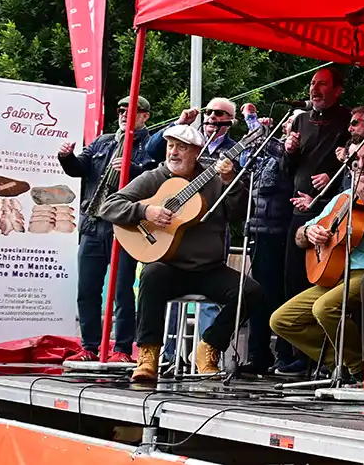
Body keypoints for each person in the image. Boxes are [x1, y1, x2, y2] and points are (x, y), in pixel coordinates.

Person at [98, 124, 261, 384]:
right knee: (151, 276)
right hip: (169, 265)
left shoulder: (215, 178)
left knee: (250, 292)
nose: (173, 152)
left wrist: (231, 180)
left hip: (209, 267)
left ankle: (209, 347)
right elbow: (109, 206)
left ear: (196, 151)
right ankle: (148, 355)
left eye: (181, 148)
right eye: (170, 146)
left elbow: (241, 212)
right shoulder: (154, 177)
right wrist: (145, 212)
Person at [270, 165, 364, 381]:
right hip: (336, 273)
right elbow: (300, 235)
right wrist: (308, 232)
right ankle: (341, 364)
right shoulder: (341, 198)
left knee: (325, 307)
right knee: (281, 320)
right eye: (356, 163)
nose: (362, 167)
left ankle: (361, 369)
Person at [58, 95, 156, 364]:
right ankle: (89, 346)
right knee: (87, 289)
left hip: (124, 227)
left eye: (132, 110)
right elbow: (79, 168)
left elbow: (154, 182)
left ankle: (122, 349)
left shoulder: (150, 145)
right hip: (93, 223)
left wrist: (131, 169)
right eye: (121, 110)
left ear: (145, 116)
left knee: (123, 290)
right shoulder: (104, 141)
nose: (124, 114)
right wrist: (65, 156)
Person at [279, 67, 352, 374]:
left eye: (322, 84)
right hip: (299, 214)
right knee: (292, 284)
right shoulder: (299, 120)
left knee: (324, 285)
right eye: (312, 83)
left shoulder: (347, 120)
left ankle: (328, 355)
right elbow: (287, 170)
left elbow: (351, 172)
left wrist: (331, 181)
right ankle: (298, 356)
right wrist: (289, 151)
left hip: (332, 214)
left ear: (338, 90)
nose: (315, 89)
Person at [237, 103, 296, 376]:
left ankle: (285, 356)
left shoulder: (292, 153)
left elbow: (269, 143)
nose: (290, 129)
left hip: (284, 232)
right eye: (288, 124)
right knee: (260, 295)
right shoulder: (269, 150)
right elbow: (245, 158)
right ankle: (257, 354)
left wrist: (250, 119)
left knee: (284, 296)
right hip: (260, 232)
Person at [146, 97, 240, 166]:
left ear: (231, 119)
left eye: (218, 113)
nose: (211, 116)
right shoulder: (188, 139)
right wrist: (179, 123)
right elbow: (152, 150)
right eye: (208, 112)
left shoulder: (236, 149)